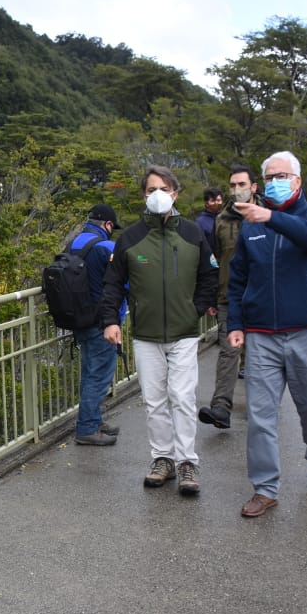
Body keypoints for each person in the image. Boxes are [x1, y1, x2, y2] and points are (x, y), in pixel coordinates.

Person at [226, 151, 307, 518]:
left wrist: (272, 217)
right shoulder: (251, 227)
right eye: (270, 176)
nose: (275, 182)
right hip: (262, 335)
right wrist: (235, 324)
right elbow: (238, 279)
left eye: (282, 176)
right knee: (260, 416)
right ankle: (265, 488)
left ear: (298, 181)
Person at [101, 166, 217, 496]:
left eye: (164, 189)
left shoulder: (193, 234)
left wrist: (195, 308)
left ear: (175, 194)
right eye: (152, 189)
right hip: (146, 333)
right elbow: (113, 283)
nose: (158, 195)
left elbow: (210, 276)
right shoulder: (130, 237)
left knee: (182, 398)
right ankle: (162, 459)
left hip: (184, 332)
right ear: (144, 195)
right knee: (154, 401)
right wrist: (111, 320)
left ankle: (186, 462)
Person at [199, 165, 257, 430]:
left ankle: (261, 404)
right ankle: (221, 407)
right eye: (232, 185)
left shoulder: (269, 216)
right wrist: (212, 296)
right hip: (228, 297)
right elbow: (215, 259)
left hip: (262, 297)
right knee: (228, 352)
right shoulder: (221, 220)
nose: (236, 190)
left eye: (242, 184)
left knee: (259, 353)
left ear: (253, 187)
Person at [71, 203, 123, 446]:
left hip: (79, 319)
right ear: (108, 225)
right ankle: (87, 428)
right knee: (99, 375)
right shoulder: (105, 247)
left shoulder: (74, 243)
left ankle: (93, 420)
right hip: (103, 322)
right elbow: (125, 280)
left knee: (89, 373)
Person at [195, 187, 224, 254]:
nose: (216, 203)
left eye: (218, 200)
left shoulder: (226, 218)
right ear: (206, 203)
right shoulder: (200, 222)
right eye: (213, 200)